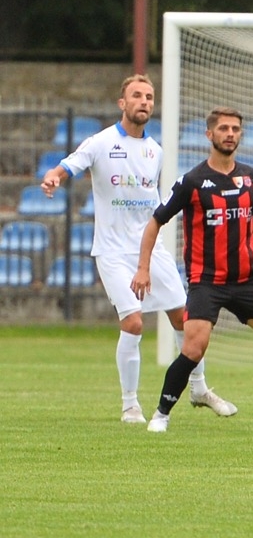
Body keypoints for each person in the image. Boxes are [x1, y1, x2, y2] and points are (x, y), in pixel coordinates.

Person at [40, 74, 236, 424]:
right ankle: (130, 404)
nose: (144, 101)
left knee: (184, 318)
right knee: (132, 323)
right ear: (123, 103)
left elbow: (153, 203)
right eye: (137, 96)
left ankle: (199, 388)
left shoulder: (154, 151)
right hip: (113, 252)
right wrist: (55, 176)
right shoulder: (100, 142)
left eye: (149, 96)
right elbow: (70, 164)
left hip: (150, 248)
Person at [130, 106, 253, 434]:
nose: (230, 134)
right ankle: (161, 414)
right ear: (210, 135)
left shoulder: (250, 176)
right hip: (207, 281)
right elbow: (155, 221)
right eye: (223, 128)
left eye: (235, 128)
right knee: (193, 348)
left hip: (248, 279)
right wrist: (143, 268)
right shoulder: (192, 181)